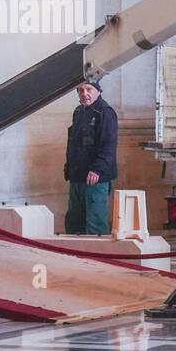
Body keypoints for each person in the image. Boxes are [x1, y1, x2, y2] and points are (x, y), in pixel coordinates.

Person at [63, 79, 118, 235]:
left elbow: (108, 145)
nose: (84, 94)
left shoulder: (105, 112)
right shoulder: (78, 112)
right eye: (80, 90)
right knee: (74, 222)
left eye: (88, 89)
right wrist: (68, 168)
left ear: (98, 91)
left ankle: (98, 257)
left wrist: (97, 169)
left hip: (95, 178)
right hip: (77, 177)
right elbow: (73, 143)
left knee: (95, 223)